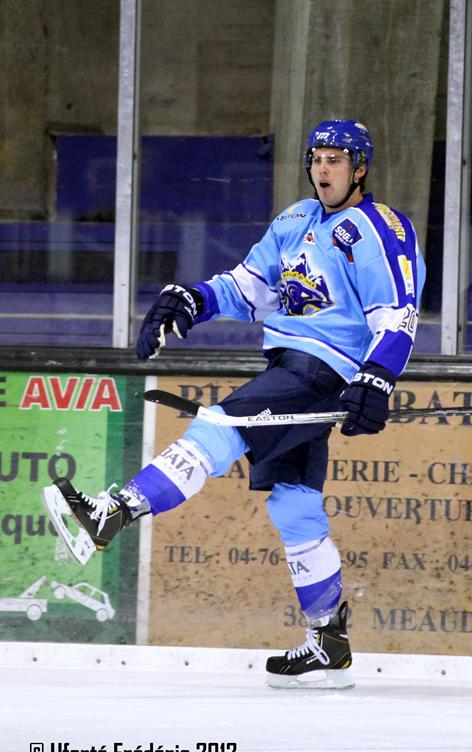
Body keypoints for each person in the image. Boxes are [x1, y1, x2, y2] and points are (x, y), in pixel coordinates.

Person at [43, 119, 426, 689]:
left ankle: (113, 512)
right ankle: (328, 643)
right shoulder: (296, 220)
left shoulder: (378, 229)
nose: (323, 169)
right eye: (317, 158)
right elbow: (249, 288)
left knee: (222, 424)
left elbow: (399, 312)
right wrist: (194, 299)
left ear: (360, 168)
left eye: (336, 160)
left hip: (324, 372)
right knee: (294, 504)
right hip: (287, 366)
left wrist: (378, 376)